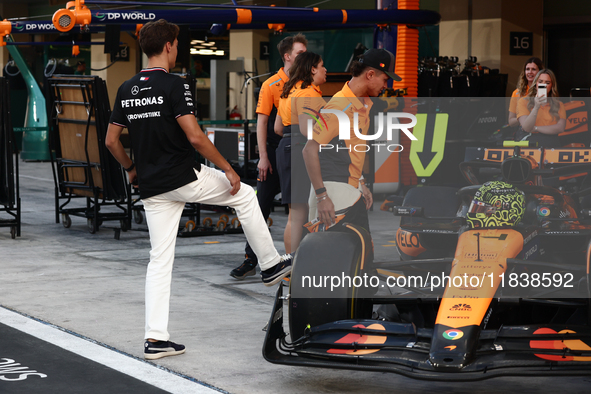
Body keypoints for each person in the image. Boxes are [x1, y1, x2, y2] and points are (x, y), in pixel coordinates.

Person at [105, 19, 292, 360]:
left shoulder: (126, 88)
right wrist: (227, 168)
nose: (177, 50)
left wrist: (131, 169)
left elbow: (111, 140)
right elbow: (194, 136)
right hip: (184, 178)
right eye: (176, 44)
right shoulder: (176, 85)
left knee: (159, 260)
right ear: (168, 46)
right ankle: (269, 264)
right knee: (246, 195)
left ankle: (155, 339)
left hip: (152, 186)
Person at [229, 33, 307, 280]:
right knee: (259, 207)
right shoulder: (271, 85)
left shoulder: (306, 84)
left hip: (299, 152)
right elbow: (262, 123)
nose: (304, 58)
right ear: (287, 56)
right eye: (300, 54)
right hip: (274, 154)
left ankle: (299, 260)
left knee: (299, 211)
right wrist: (263, 157)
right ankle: (251, 259)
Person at [302, 48, 401, 231]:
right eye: (385, 79)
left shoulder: (363, 104)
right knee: (339, 256)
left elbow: (349, 148)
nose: (386, 86)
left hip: (349, 191)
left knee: (360, 254)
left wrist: (361, 182)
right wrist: (322, 197)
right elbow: (309, 150)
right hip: (334, 195)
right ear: (370, 74)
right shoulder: (339, 106)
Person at [276, 51, 327, 253]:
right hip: (299, 148)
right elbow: (307, 130)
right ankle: (293, 266)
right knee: (299, 213)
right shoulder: (309, 93)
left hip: (286, 147)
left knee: (294, 213)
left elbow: (277, 129)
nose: (325, 70)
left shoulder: (288, 91)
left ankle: (291, 266)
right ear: (313, 69)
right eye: (322, 65)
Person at [516, 69, 566, 147]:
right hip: (531, 143)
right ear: (536, 84)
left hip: (551, 143)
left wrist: (536, 128)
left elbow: (560, 128)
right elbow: (526, 127)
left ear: (552, 86)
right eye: (540, 82)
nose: (543, 85)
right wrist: (536, 107)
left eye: (547, 83)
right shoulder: (523, 102)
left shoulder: (558, 104)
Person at [508, 57, 543, 127]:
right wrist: (523, 118)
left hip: (541, 130)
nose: (530, 72)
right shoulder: (517, 93)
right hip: (523, 132)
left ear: (540, 72)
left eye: (533, 69)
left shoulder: (544, 90)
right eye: (527, 69)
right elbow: (511, 121)